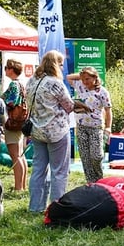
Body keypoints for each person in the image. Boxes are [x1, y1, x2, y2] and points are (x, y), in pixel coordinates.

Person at [26, 50, 84, 213]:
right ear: (55, 64)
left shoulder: (32, 81)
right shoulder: (55, 83)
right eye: (60, 64)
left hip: (37, 130)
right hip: (57, 131)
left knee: (38, 170)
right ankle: (56, 209)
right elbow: (69, 105)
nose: (61, 67)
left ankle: (35, 207)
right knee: (59, 171)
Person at [67, 66, 112, 184]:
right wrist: (82, 75)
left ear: (95, 77)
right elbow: (68, 77)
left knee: (96, 156)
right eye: (83, 79)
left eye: (87, 79)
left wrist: (108, 127)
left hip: (96, 127)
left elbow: (108, 110)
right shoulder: (80, 86)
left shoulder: (102, 91)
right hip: (81, 126)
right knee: (85, 157)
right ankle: (91, 182)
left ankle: (99, 178)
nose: (85, 82)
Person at [0, 61, 28, 191]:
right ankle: (22, 185)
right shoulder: (21, 83)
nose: (5, 70)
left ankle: (18, 188)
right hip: (20, 123)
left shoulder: (13, 84)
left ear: (11, 69)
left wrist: (0, 101)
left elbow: (11, 102)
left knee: (15, 155)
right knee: (21, 155)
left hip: (13, 123)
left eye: (6, 68)